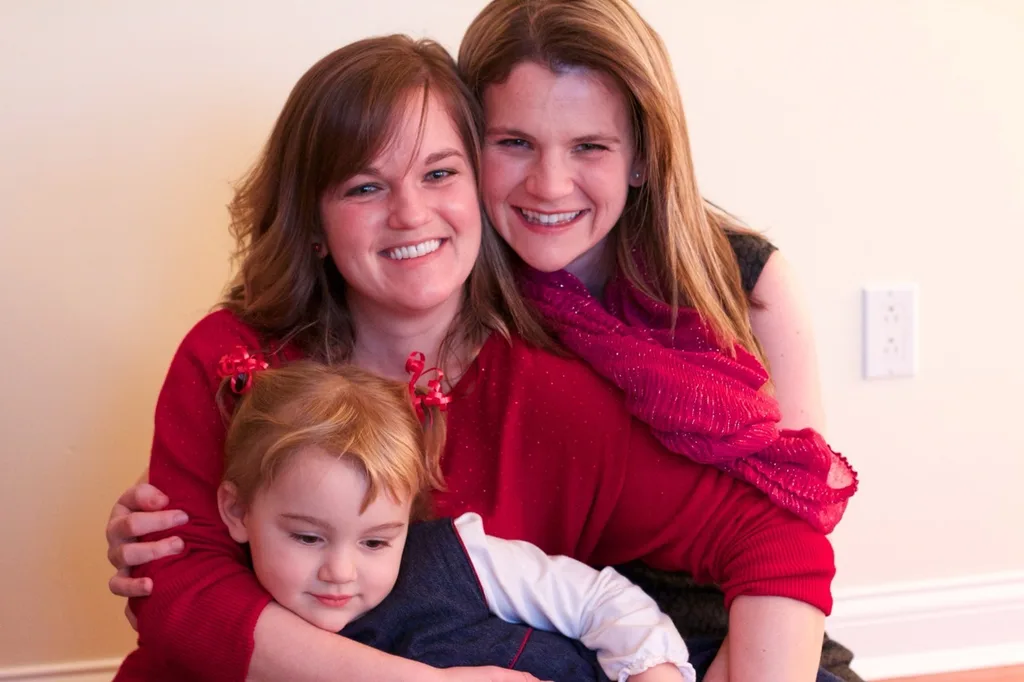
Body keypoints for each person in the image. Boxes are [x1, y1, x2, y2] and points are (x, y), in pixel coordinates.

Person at [103, 33, 838, 682]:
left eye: (439, 174)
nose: (410, 213)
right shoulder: (232, 361)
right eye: (365, 186)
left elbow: (777, 536)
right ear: (313, 221)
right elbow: (174, 592)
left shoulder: (554, 392)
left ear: (479, 190)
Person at [116, 356, 695, 682]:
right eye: (308, 537)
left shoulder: (463, 560)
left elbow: (600, 602)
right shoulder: (248, 639)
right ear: (236, 511)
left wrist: (653, 675)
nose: (340, 571)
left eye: (374, 542)